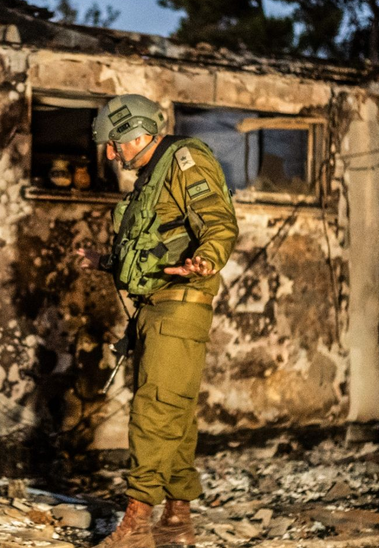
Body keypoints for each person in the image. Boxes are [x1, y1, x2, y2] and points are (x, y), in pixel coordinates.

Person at [77, 94, 239, 548]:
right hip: (155, 304)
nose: (111, 154)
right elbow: (153, 241)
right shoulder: (152, 176)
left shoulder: (184, 161)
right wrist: (106, 262)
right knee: (176, 412)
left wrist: (205, 259)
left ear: (137, 133)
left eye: (114, 144)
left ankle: (135, 524)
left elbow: (218, 223)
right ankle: (176, 520)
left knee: (154, 410)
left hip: (179, 303)